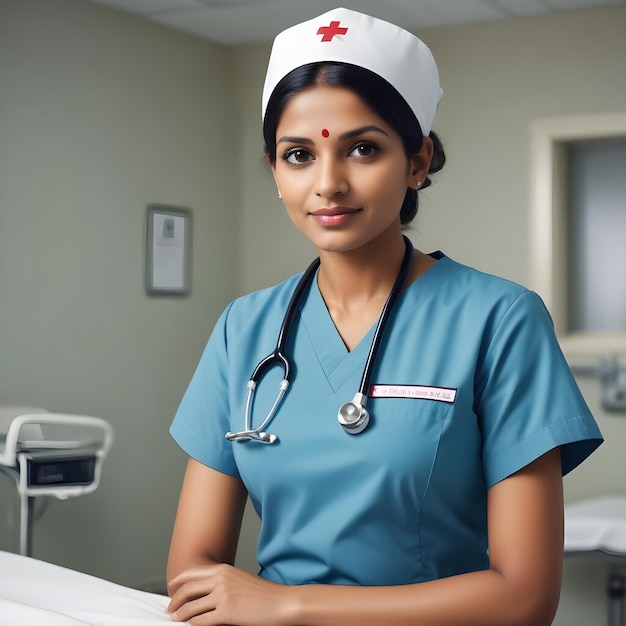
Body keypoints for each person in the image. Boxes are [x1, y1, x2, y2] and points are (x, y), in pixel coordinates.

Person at [166, 7, 603, 625]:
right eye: (298, 156)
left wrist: (291, 605)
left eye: (363, 149)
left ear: (417, 162)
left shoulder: (500, 320)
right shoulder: (245, 328)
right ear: (274, 171)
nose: (328, 184)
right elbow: (193, 573)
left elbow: (525, 599)